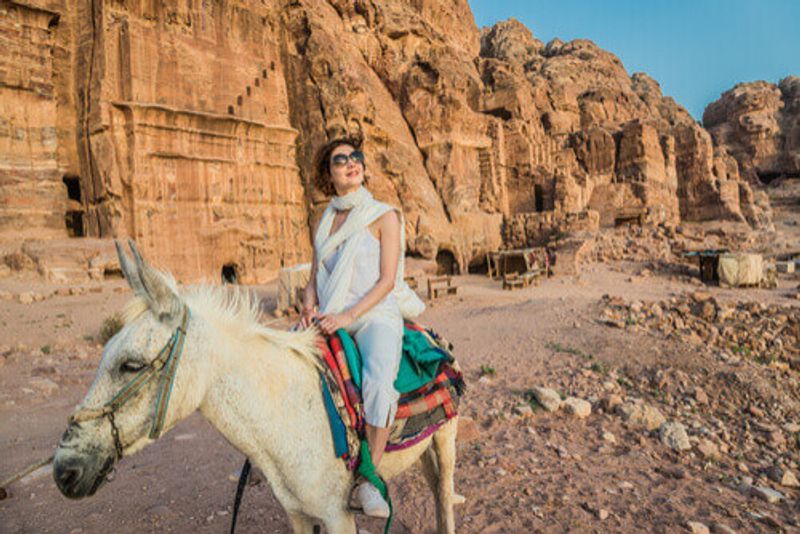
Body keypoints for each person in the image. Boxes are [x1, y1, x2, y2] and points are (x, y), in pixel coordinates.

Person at [300, 136, 404, 518]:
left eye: (355, 157)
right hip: (329, 313)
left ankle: (369, 480)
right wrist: (309, 305)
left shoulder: (383, 215)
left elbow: (387, 281)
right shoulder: (324, 219)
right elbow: (314, 275)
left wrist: (346, 317)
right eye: (340, 160)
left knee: (378, 383)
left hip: (373, 315)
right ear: (328, 175)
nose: (351, 163)